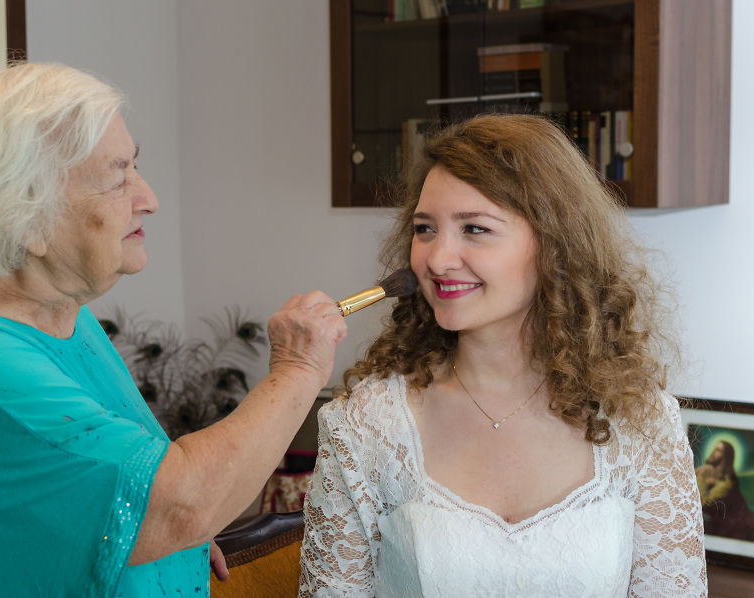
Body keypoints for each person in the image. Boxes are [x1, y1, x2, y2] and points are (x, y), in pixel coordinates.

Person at [0, 62, 347, 597]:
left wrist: (174, 534)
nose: (149, 197)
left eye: (136, 166)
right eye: (117, 176)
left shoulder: (58, 313)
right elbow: (179, 502)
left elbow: (124, 497)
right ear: (23, 216)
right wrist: (299, 370)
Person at [299, 114, 706, 597]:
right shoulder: (364, 426)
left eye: (474, 228)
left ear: (555, 245)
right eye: (425, 229)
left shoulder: (641, 421)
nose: (437, 258)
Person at [696, 440, 754, 540]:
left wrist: (701, 479)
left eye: (718, 450)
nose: (714, 451)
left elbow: (707, 505)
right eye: (715, 448)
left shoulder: (729, 482)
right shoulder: (705, 470)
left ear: (726, 455)